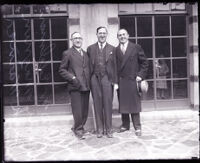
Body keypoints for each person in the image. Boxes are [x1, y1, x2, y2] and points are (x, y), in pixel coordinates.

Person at [116, 29, 148, 136]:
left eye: (124, 34)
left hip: (133, 80)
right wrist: (115, 82)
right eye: (120, 35)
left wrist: (140, 75)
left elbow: (145, 63)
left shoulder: (135, 47)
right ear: (117, 37)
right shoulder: (116, 50)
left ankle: (137, 127)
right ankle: (125, 125)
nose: (122, 37)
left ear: (128, 35)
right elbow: (114, 67)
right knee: (123, 103)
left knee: (134, 103)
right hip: (121, 81)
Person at [87, 26, 118, 138]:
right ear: (97, 34)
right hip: (94, 78)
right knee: (97, 104)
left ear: (107, 35)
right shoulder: (90, 48)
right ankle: (100, 129)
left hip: (107, 79)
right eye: (100, 33)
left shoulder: (113, 49)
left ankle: (109, 129)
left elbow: (115, 66)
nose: (102, 35)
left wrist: (115, 82)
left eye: (104, 33)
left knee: (108, 104)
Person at [59, 32, 90, 140]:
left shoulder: (85, 53)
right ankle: (78, 130)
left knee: (85, 109)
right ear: (72, 40)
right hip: (75, 86)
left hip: (86, 85)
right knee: (77, 110)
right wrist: (72, 78)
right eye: (75, 38)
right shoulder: (67, 53)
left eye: (79, 38)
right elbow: (62, 70)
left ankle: (80, 127)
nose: (78, 40)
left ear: (82, 40)